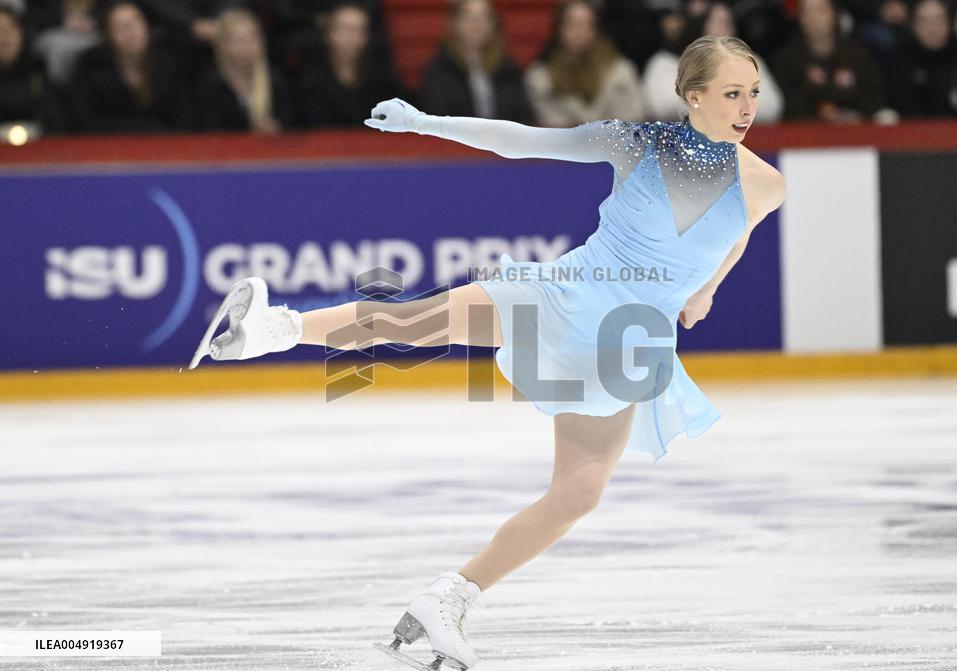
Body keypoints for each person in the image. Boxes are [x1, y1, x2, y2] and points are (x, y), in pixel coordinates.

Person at [188, 34, 785, 670]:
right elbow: (522, 138)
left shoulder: (765, 184)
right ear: (693, 97)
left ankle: (448, 598)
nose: (747, 106)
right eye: (731, 93)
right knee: (419, 322)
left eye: (751, 92)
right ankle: (273, 329)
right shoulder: (635, 143)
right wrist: (427, 124)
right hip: (571, 295)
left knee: (579, 493)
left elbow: (735, 239)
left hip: (633, 339)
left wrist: (708, 292)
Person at [644, 2, 784, 122]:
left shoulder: (751, 62)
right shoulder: (666, 62)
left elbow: (771, 106)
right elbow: (664, 105)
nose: (729, 31)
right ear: (699, 26)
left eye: (730, 23)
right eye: (720, 23)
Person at [67, 1, 191, 133]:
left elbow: (184, 116)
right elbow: (85, 120)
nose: (130, 32)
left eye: (135, 23)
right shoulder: (91, 66)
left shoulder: (168, 63)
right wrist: (142, 128)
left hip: (166, 145)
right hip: (109, 146)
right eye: (120, 27)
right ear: (109, 34)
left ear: (147, 27)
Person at [525, 0, 645, 126]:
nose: (580, 32)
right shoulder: (540, 79)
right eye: (574, 24)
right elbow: (554, 129)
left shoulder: (619, 72)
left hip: (614, 143)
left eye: (587, 25)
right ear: (559, 28)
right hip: (567, 144)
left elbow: (633, 123)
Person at [419, 0, 534, 123]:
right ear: (453, 22)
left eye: (484, 17)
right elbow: (435, 121)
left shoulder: (507, 68)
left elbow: (524, 116)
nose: (477, 24)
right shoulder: (439, 71)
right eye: (469, 16)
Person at [771, 0, 888, 122]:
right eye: (806, 12)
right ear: (799, 18)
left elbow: (874, 97)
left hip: (855, 132)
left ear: (834, 14)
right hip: (806, 134)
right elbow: (788, 106)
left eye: (820, 11)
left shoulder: (858, 56)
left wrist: (855, 116)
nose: (814, 18)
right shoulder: (787, 60)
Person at [297, 1, 403, 128]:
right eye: (345, 29)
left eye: (359, 30)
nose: (351, 37)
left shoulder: (381, 78)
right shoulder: (308, 80)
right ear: (328, 33)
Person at [195, 7, 294, 133]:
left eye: (251, 39)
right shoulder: (210, 83)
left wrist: (277, 128)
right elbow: (208, 128)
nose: (245, 47)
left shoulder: (276, 79)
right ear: (222, 44)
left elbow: (291, 122)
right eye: (237, 41)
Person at [889, 0, 957, 118]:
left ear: (949, 23)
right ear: (914, 26)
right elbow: (904, 107)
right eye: (924, 21)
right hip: (917, 132)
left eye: (938, 20)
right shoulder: (901, 61)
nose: (932, 28)